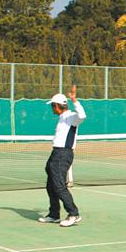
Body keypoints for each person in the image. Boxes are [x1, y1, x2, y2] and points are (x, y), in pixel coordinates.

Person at [40, 85, 86, 227]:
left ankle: (73, 214)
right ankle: (54, 214)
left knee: (59, 186)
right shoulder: (61, 118)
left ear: (57, 106)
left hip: (63, 154)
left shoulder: (71, 117)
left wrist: (74, 100)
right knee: (50, 185)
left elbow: (82, 116)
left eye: (52, 106)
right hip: (56, 153)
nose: (51, 109)